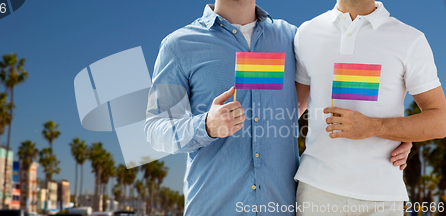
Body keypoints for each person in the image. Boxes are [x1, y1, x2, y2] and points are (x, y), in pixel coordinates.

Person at [145, 0, 411, 215]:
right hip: (214, 207)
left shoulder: (293, 38)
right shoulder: (179, 45)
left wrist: (386, 135)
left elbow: (331, 92)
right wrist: (205, 125)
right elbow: (155, 129)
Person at [294, 0, 446, 215]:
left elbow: (440, 121)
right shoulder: (307, 32)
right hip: (316, 192)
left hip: (382, 197)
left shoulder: (410, 39)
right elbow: (292, 109)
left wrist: (375, 127)